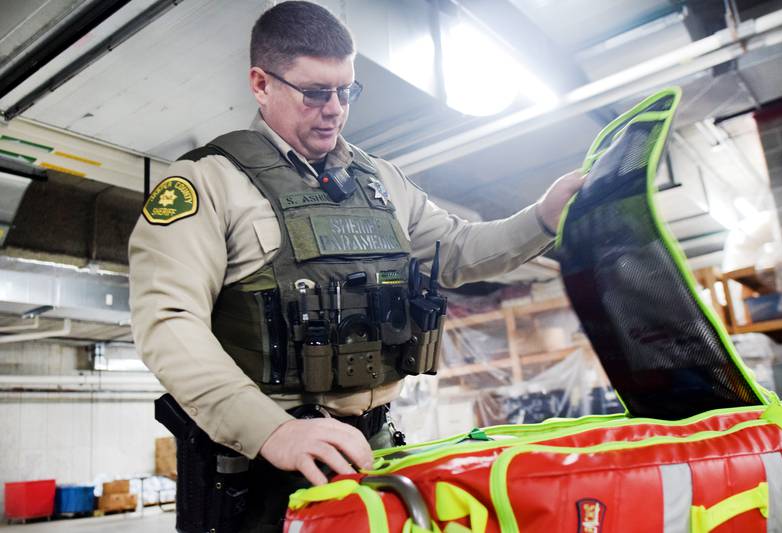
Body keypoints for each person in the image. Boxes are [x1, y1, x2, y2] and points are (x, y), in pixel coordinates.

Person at [129, 1, 583, 531]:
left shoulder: (382, 180)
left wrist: (544, 217)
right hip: (263, 467)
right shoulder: (206, 183)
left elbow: (454, 251)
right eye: (316, 92)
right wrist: (271, 430)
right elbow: (167, 320)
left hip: (372, 448)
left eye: (347, 90)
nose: (336, 109)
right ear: (261, 83)